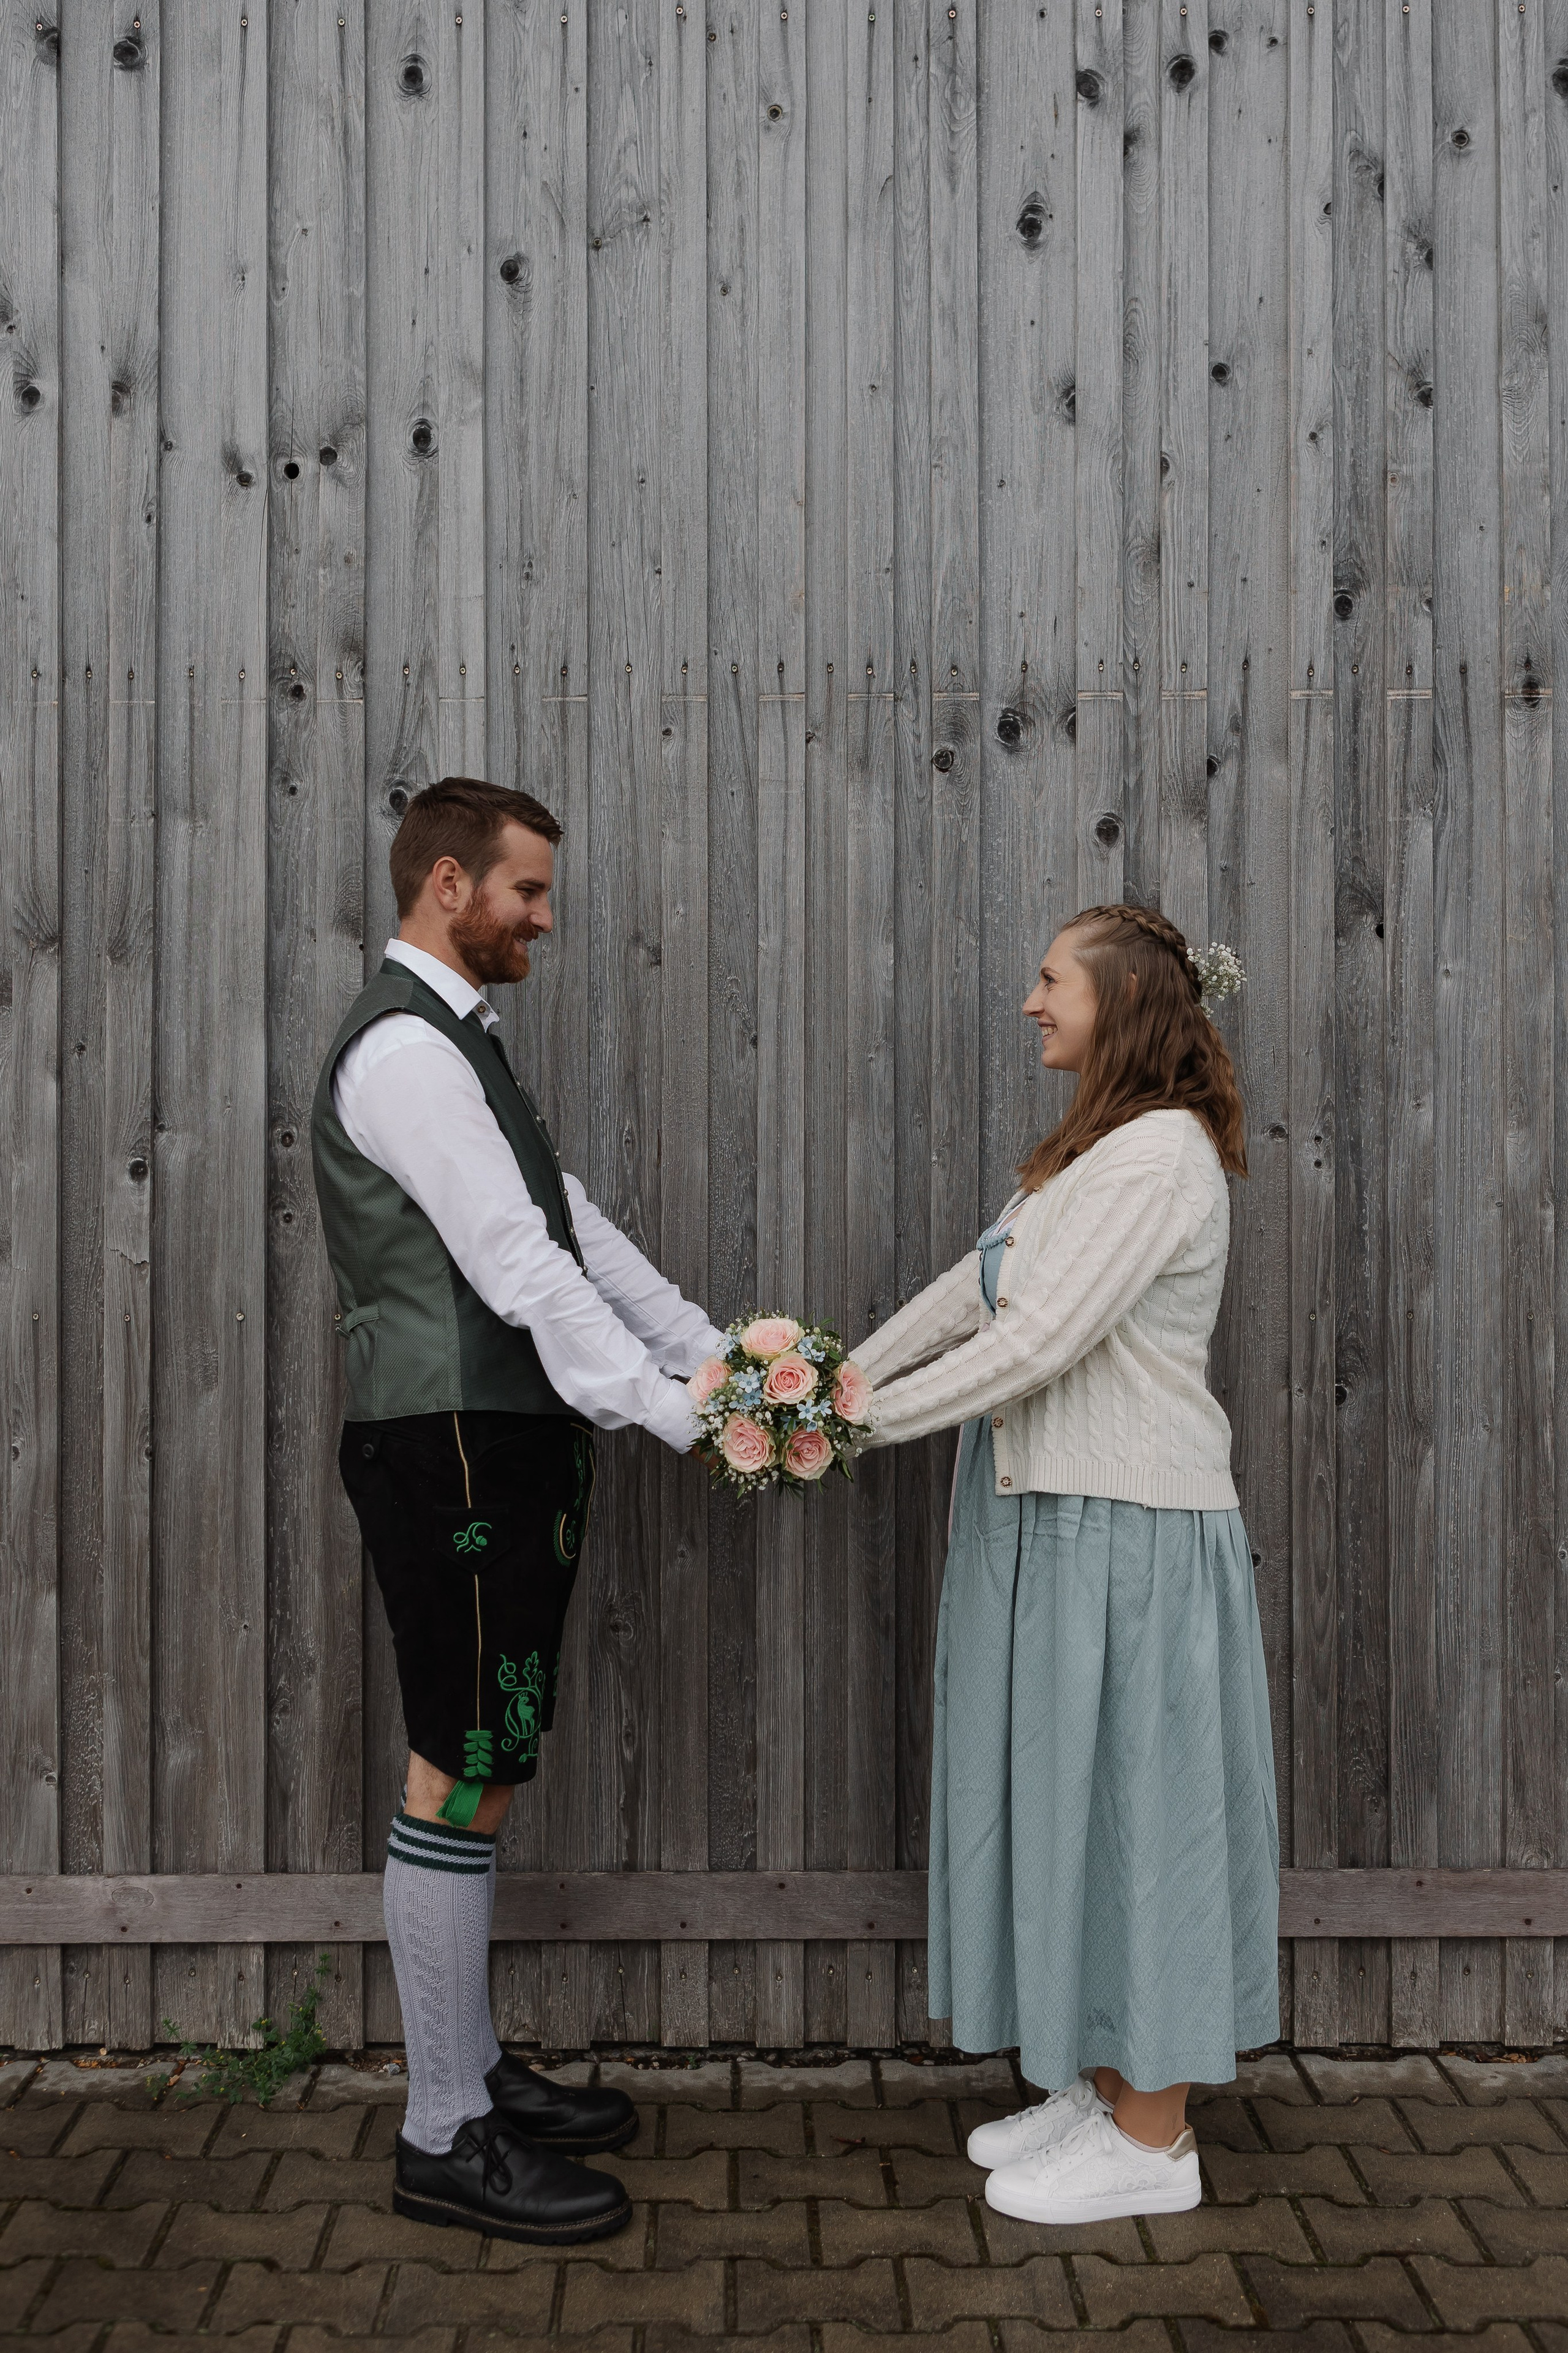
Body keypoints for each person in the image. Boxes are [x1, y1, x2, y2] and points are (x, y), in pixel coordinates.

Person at [311, 777, 727, 2245]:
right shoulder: (409, 1055)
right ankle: (442, 2132)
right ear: (444, 882)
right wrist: (680, 1412)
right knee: (454, 1767)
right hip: (451, 1445)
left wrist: (713, 1354)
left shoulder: (462, 1046)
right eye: (526, 892)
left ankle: (470, 2068)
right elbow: (518, 1270)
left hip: (499, 1441)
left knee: (482, 1761)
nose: (544, 917)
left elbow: (574, 1223)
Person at [850, 903, 1278, 2225]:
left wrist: (848, 1425)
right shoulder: (1088, 1151)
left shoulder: (1153, 1158)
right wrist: (833, 1372)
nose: (1030, 1001)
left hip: (1127, 1532)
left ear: (1122, 1000)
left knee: (1137, 1816)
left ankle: (1154, 2144)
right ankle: (1103, 2083)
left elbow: (1036, 1347)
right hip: (1052, 1520)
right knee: (1069, 1808)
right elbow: (975, 1290)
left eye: (1050, 981)